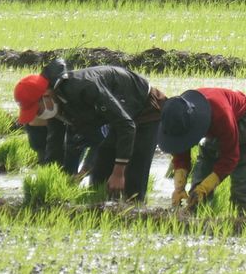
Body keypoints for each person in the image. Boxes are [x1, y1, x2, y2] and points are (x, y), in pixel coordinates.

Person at [17, 58, 166, 201]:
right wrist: (56, 179)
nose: (38, 116)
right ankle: (104, 213)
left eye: (36, 110)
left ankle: (134, 212)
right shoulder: (56, 107)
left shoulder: (84, 88)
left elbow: (126, 125)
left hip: (143, 108)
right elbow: (56, 147)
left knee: (132, 182)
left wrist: (118, 173)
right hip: (114, 118)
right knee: (99, 181)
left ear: (46, 95)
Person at [156, 87, 246, 212]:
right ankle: (194, 226)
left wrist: (205, 188)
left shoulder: (220, 113)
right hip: (215, 128)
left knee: (241, 194)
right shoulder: (177, 115)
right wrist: (179, 188)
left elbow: (230, 157)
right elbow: (180, 150)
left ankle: (241, 224)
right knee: (195, 193)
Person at [12, 72, 85, 176]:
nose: (38, 115)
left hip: (69, 127)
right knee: (47, 159)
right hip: (50, 125)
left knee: (70, 156)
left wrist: (81, 174)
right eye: (35, 113)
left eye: (38, 111)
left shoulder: (72, 99)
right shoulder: (36, 126)